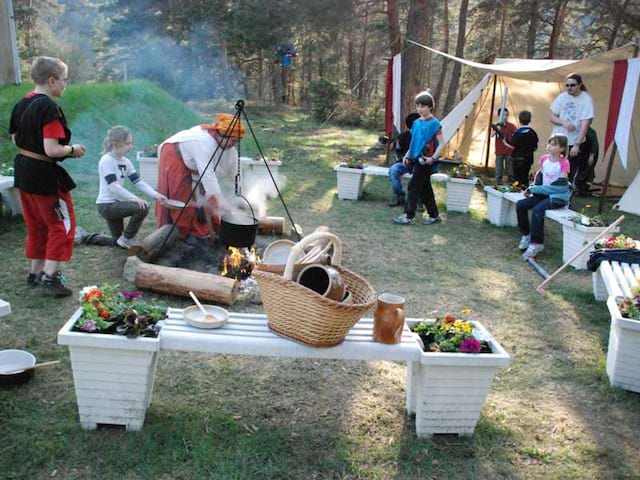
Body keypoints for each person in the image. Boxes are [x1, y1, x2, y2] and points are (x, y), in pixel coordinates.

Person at [9, 56, 86, 297]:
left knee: (36, 223)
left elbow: (15, 139)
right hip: (43, 175)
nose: (65, 84)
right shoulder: (48, 107)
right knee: (61, 224)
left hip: (23, 169)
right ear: (51, 81)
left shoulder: (21, 103)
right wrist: (73, 150)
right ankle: (50, 276)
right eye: (64, 80)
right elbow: (52, 150)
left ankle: (35, 272)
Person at [156, 113, 245, 239]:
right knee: (181, 197)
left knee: (205, 197)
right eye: (233, 140)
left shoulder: (229, 149)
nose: (234, 144)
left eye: (237, 141)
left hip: (194, 163)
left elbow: (235, 173)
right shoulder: (203, 143)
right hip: (174, 153)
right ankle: (183, 234)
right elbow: (207, 174)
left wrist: (239, 194)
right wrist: (219, 200)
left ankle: (209, 229)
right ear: (222, 134)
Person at [96, 126, 168, 248]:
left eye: (131, 143)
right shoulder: (106, 160)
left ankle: (86, 237)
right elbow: (113, 187)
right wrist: (134, 198)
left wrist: (156, 195)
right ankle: (128, 237)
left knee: (117, 242)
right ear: (115, 143)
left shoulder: (125, 161)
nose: (131, 147)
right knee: (143, 207)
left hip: (115, 203)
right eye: (127, 143)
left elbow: (138, 182)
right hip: (107, 206)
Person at [393, 90, 444, 225]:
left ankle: (408, 216)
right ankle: (434, 215)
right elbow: (414, 141)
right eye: (418, 106)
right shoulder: (416, 123)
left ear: (430, 106)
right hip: (415, 159)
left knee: (413, 187)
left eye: (423, 106)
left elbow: (442, 143)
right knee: (425, 188)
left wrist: (432, 158)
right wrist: (407, 154)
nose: (420, 109)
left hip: (426, 161)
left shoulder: (435, 124)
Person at [516, 134, 571, 259]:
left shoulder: (564, 163)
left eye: (554, 144)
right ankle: (526, 235)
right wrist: (532, 188)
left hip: (557, 197)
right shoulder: (544, 159)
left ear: (562, 149)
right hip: (543, 194)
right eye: (550, 143)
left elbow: (561, 187)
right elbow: (539, 178)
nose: (550, 146)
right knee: (521, 205)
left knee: (538, 210)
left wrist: (535, 189)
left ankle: (537, 244)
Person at [550, 73, 594, 195]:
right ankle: (552, 194)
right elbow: (552, 116)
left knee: (568, 171)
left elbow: (585, 123)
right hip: (558, 139)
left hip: (573, 141)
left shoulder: (586, 99)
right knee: (554, 168)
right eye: (567, 85)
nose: (569, 87)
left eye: (573, 85)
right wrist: (563, 122)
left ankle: (565, 198)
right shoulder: (562, 97)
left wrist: (577, 144)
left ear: (579, 85)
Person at [388, 112, 420, 207]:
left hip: (420, 164)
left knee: (421, 174)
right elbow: (398, 151)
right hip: (405, 163)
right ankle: (399, 196)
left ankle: (419, 200)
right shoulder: (403, 136)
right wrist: (404, 159)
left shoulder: (425, 137)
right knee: (393, 170)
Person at [510, 111, 539, 187]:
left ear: (519, 120)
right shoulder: (533, 133)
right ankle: (525, 189)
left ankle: (517, 189)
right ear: (530, 120)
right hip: (529, 158)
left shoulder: (517, 132)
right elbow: (535, 147)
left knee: (517, 177)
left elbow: (512, 144)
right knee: (525, 176)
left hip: (518, 158)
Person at [492, 107, 517, 185]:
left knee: (510, 168)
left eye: (506, 115)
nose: (505, 117)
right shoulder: (497, 125)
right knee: (499, 168)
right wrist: (497, 128)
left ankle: (511, 182)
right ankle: (498, 182)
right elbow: (492, 135)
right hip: (499, 150)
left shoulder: (511, 126)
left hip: (509, 150)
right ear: (499, 116)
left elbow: (516, 134)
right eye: (503, 115)